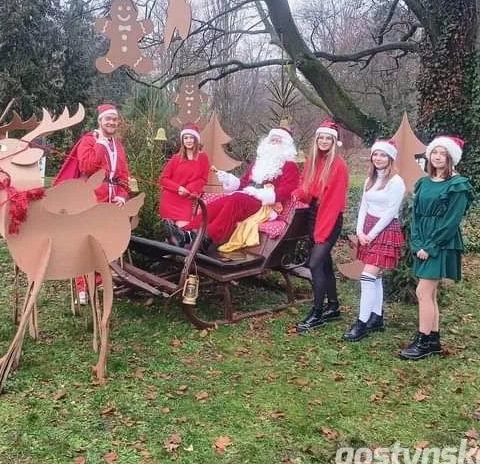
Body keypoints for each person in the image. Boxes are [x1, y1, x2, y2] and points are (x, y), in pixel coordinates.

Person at [400, 136, 473, 360]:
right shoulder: (424, 182)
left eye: (443, 153)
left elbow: (451, 221)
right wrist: (418, 242)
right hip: (423, 241)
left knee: (423, 291)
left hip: (441, 242)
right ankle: (432, 339)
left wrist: (430, 246)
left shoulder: (458, 185)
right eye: (434, 152)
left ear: (451, 157)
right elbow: (416, 216)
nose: (438, 156)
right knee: (428, 293)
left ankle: (423, 341)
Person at [167, 127, 300, 250]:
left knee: (236, 199)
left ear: (286, 147)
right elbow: (243, 183)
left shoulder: (290, 166)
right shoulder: (258, 162)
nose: (274, 143)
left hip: (267, 205)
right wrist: (228, 179)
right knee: (216, 205)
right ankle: (185, 233)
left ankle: (207, 238)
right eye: (272, 139)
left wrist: (262, 193)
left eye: (279, 141)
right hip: (246, 197)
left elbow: (288, 190)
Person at [55, 103, 131, 304]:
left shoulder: (119, 145)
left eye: (115, 119)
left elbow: (124, 174)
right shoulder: (89, 141)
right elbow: (87, 166)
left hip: (112, 202)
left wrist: (123, 195)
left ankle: (98, 279)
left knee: (104, 242)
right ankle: (82, 286)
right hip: (91, 199)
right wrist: (100, 145)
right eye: (108, 119)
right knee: (86, 243)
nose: (112, 122)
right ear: (100, 121)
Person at [343, 139, 405, 342]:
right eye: (376, 154)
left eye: (383, 155)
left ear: (390, 158)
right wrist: (360, 231)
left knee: (367, 276)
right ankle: (376, 317)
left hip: (385, 230)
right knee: (375, 276)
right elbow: (364, 205)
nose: (378, 158)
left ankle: (361, 324)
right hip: (367, 229)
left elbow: (391, 212)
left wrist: (372, 234)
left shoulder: (396, 181)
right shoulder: (370, 179)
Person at [294, 120, 350, 333]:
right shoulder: (313, 161)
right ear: (316, 140)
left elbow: (333, 203)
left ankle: (317, 313)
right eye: (321, 138)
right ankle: (333, 306)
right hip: (314, 214)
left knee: (315, 264)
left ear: (334, 142)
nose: (324, 141)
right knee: (324, 263)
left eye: (329, 138)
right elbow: (307, 190)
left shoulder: (338, 166)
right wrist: (296, 193)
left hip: (330, 217)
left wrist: (322, 232)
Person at [159, 124, 210, 231]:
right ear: (182, 141)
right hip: (169, 200)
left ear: (196, 139)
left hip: (186, 200)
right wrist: (178, 188)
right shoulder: (176, 158)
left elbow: (203, 179)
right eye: (185, 138)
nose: (188, 140)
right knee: (168, 235)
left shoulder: (203, 158)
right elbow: (163, 179)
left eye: (191, 137)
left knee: (182, 233)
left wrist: (189, 189)